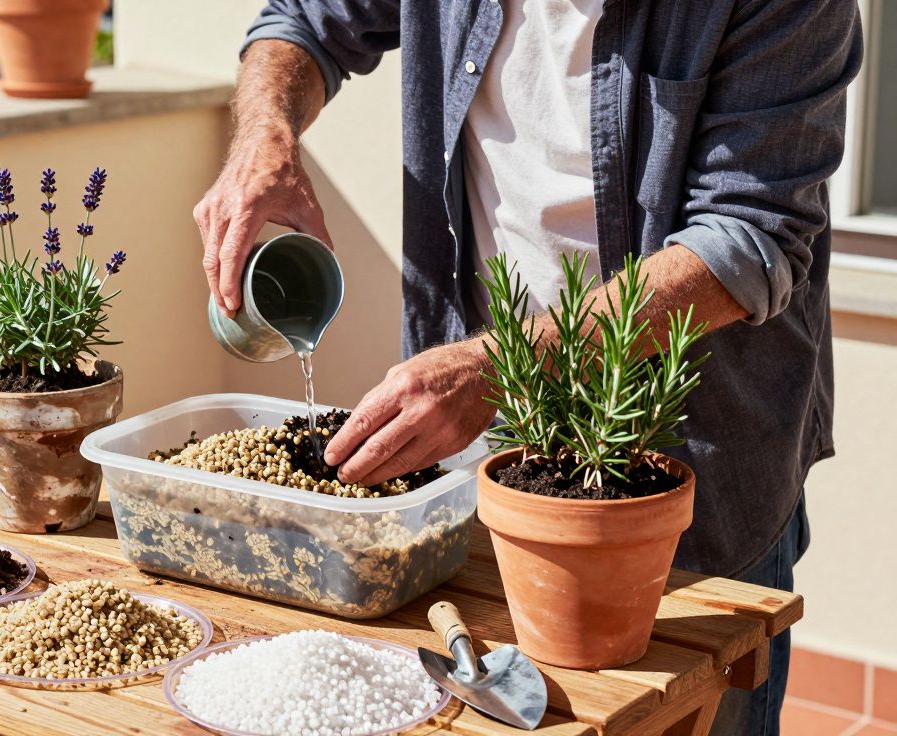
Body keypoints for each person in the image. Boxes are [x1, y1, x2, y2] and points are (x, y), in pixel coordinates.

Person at [192, 1, 863, 732]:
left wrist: (504, 367)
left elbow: (748, 241)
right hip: (480, 441)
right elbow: (304, 21)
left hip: (694, 466)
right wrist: (264, 133)